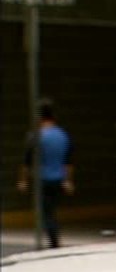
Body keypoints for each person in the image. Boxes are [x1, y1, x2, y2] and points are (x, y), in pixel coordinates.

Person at [18, 98, 74, 248]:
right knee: (52, 210)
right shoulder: (62, 135)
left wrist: (23, 180)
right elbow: (68, 161)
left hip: (42, 179)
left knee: (46, 213)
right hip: (58, 179)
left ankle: (53, 241)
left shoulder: (35, 136)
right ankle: (53, 238)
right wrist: (68, 180)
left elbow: (27, 162)